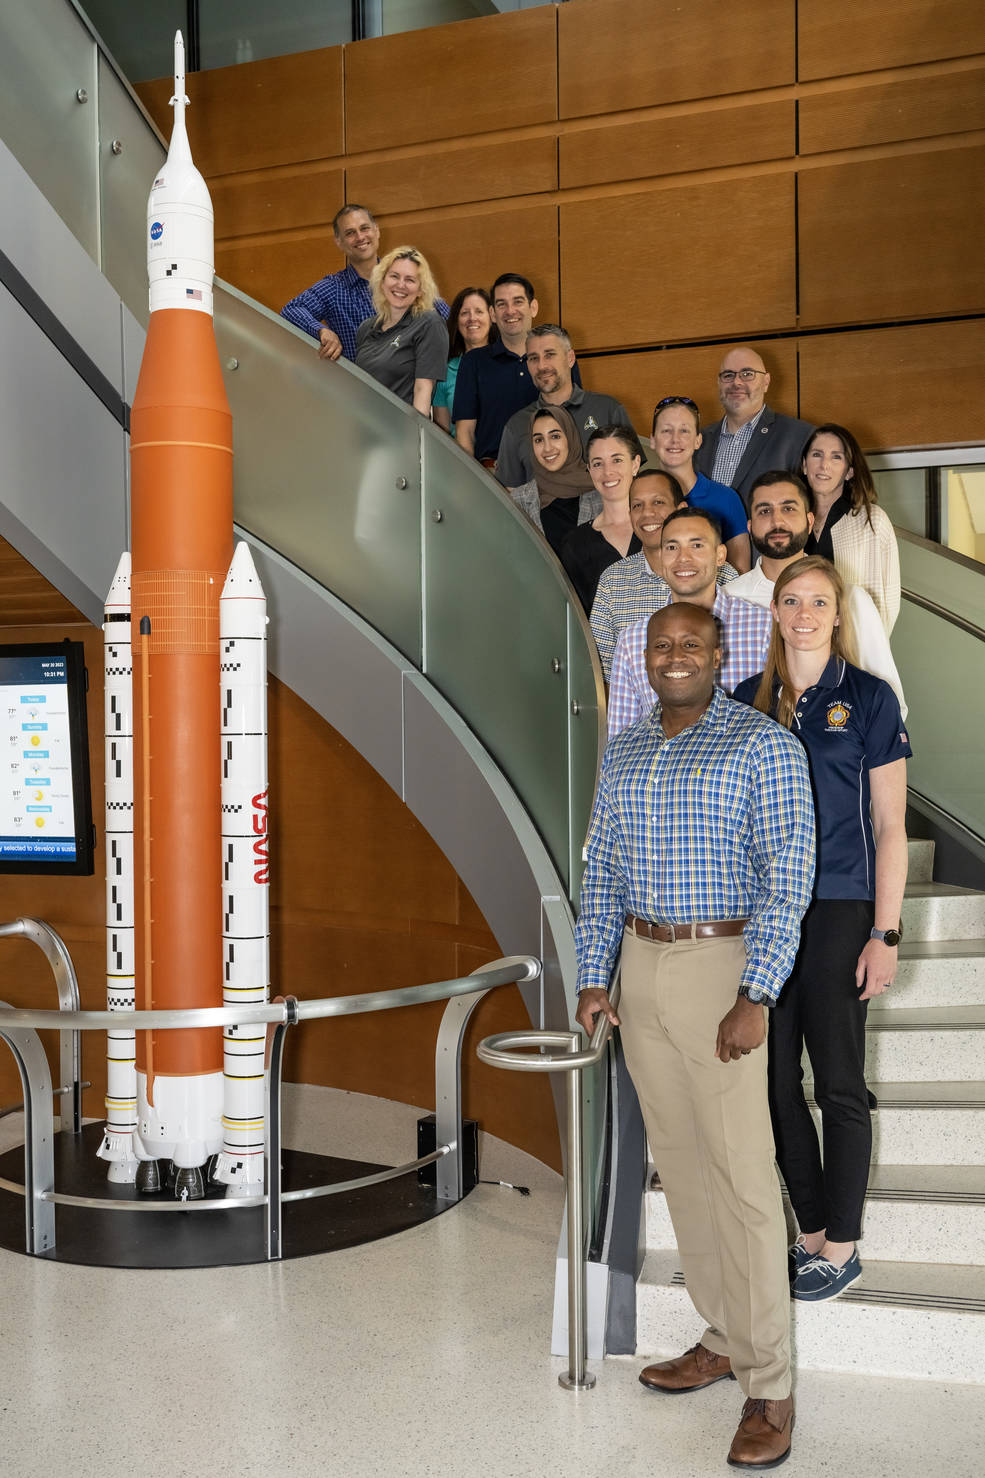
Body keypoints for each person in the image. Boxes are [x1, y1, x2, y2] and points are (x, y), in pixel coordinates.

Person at [575, 601, 815, 1471]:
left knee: (743, 1176)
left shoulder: (761, 746)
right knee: (680, 1167)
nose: (673, 657)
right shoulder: (628, 748)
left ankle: (771, 1386)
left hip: (723, 968)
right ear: (643, 657)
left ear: (720, 654)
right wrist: (595, 975)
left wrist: (756, 993)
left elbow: (788, 881)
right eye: (660, 645)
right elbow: (599, 868)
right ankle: (722, 1334)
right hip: (639, 964)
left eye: (690, 645)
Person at [733, 557, 910, 1303]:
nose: (803, 613)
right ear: (772, 611)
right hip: (766, 911)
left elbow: (891, 826)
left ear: (837, 614)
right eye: (791, 600)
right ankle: (808, 1234)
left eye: (818, 602)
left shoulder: (866, 699)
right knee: (772, 1084)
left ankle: (841, 1245)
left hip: (841, 906)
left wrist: (886, 932)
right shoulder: (745, 700)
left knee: (836, 1082)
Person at [729, 471, 906, 714]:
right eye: (764, 511)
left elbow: (888, 701)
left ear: (810, 521)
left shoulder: (852, 599)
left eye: (788, 509)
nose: (777, 521)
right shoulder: (728, 601)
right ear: (750, 526)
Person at [606, 508, 772, 736]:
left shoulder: (763, 627)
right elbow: (621, 740)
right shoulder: (633, 639)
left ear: (720, 555)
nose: (683, 558)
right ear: (661, 557)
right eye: (672, 547)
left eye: (696, 546)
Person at [590, 472, 740, 679]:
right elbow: (600, 670)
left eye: (658, 502)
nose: (647, 513)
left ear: (680, 510)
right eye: (637, 505)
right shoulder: (613, 580)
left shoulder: (723, 575)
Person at [494, 326, 639, 485]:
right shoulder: (516, 425)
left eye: (550, 355)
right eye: (534, 358)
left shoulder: (609, 410)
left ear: (570, 358)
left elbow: (636, 478)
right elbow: (509, 496)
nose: (542, 366)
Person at [802, 424, 902, 633]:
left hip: (854, 643)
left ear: (849, 471)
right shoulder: (793, 520)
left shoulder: (872, 520)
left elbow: (887, 602)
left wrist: (870, 650)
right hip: (801, 638)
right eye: (816, 455)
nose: (824, 465)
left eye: (836, 457)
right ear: (804, 465)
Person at [694, 346, 813, 508]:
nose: (736, 382)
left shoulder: (800, 436)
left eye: (747, 374)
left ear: (766, 382)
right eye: (728, 375)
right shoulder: (698, 441)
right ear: (719, 383)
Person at [649, 395, 751, 572]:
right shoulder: (639, 498)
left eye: (684, 431)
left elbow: (740, 573)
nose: (675, 439)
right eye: (666, 431)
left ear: (698, 440)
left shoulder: (726, 499)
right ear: (652, 440)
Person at [354, 247, 448, 415]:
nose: (401, 285)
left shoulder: (429, 323)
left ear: (420, 289)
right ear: (382, 282)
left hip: (401, 434)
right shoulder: (366, 328)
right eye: (394, 276)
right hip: (365, 430)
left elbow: (423, 389)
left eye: (410, 280)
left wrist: (417, 436)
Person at [559, 426, 641, 615]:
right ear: (589, 470)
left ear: (635, 464)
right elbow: (576, 618)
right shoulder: (575, 543)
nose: (607, 472)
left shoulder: (660, 530)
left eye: (617, 460)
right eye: (598, 463)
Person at [508, 406, 601, 555]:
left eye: (555, 436)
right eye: (538, 440)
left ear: (570, 438)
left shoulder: (600, 491)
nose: (547, 448)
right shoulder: (520, 501)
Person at [432, 287, 496, 437]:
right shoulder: (445, 371)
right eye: (464, 313)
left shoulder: (507, 363)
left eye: (479, 311)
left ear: (492, 317)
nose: (472, 318)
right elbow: (444, 436)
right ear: (457, 321)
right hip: (460, 457)